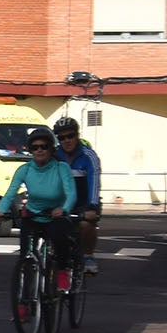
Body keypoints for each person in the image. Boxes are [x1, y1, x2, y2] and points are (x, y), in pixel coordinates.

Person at [0, 127, 80, 287]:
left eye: (44, 146)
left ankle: (62, 272)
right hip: (33, 215)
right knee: (26, 255)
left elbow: (71, 194)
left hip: (55, 216)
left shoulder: (61, 168)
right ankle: (25, 295)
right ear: (31, 150)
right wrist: (1, 210)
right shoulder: (25, 169)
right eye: (35, 147)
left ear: (51, 148)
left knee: (60, 240)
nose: (40, 150)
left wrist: (64, 209)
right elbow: (10, 193)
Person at [52, 115, 103, 274]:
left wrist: (92, 206)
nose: (66, 140)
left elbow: (94, 182)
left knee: (86, 225)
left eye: (70, 136)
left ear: (77, 135)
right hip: (61, 202)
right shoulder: (53, 156)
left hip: (84, 202)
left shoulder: (89, 156)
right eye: (62, 138)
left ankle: (88, 255)